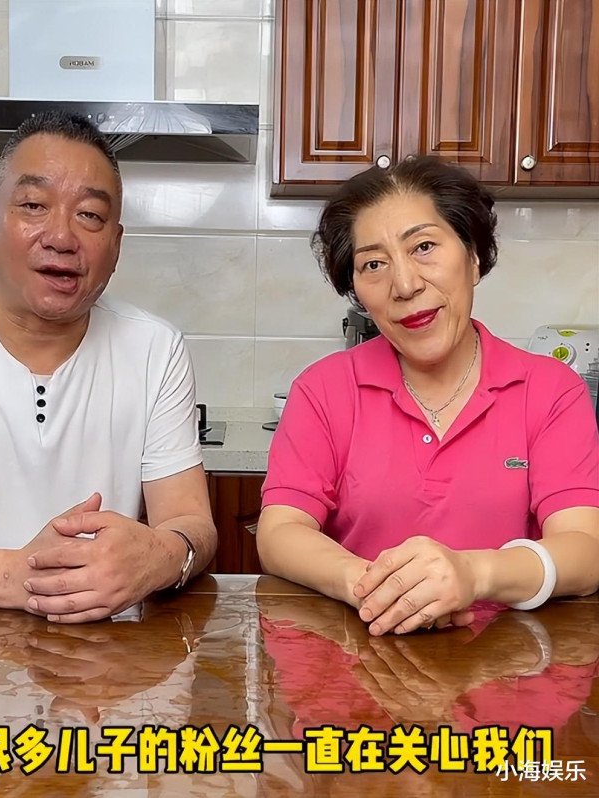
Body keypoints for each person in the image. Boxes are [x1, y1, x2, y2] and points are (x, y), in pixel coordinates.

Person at [0, 111, 217, 623]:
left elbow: (191, 522)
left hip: (100, 659)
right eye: (34, 205)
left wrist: (161, 557)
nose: (60, 237)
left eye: (90, 215)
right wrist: (16, 577)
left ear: (116, 243)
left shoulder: (155, 348)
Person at [256, 156, 599, 636]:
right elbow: (280, 533)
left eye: (423, 247)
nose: (404, 285)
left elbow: (585, 549)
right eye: (373, 264)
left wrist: (473, 575)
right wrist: (376, 588)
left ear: (473, 257)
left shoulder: (550, 389)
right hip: (359, 654)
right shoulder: (322, 389)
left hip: (509, 661)